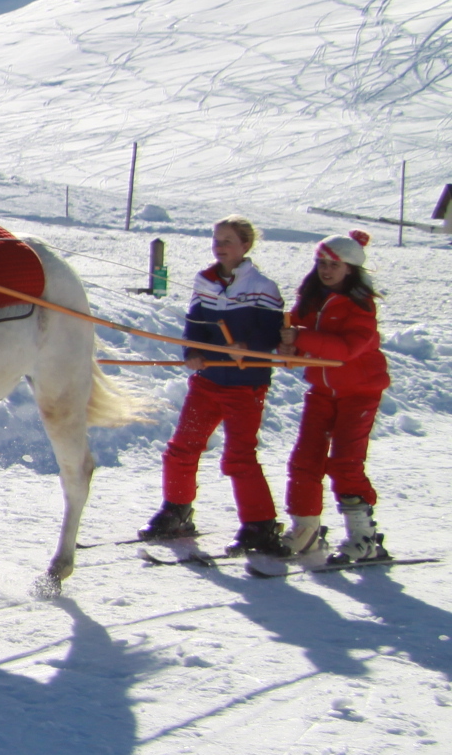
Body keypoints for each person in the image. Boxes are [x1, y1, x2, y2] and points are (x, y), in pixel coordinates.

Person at [141, 216, 288, 554]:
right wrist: (192, 352)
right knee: (182, 447)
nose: (219, 247)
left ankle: (260, 525)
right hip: (207, 380)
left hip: (245, 383)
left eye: (227, 241)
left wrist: (247, 347)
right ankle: (177, 510)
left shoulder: (263, 286)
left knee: (239, 456)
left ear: (245, 245)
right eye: (216, 240)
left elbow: (270, 333)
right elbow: (195, 326)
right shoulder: (205, 281)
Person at [285, 231, 393, 565]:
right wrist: (285, 343)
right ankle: (305, 530)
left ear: (350, 268)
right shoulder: (311, 300)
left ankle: (364, 538)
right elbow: (294, 340)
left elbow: (346, 350)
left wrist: (302, 337)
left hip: (359, 393)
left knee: (345, 462)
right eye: (321, 262)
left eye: (334, 264)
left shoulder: (361, 307)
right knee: (305, 460)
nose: (326, 269)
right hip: (322, 392)